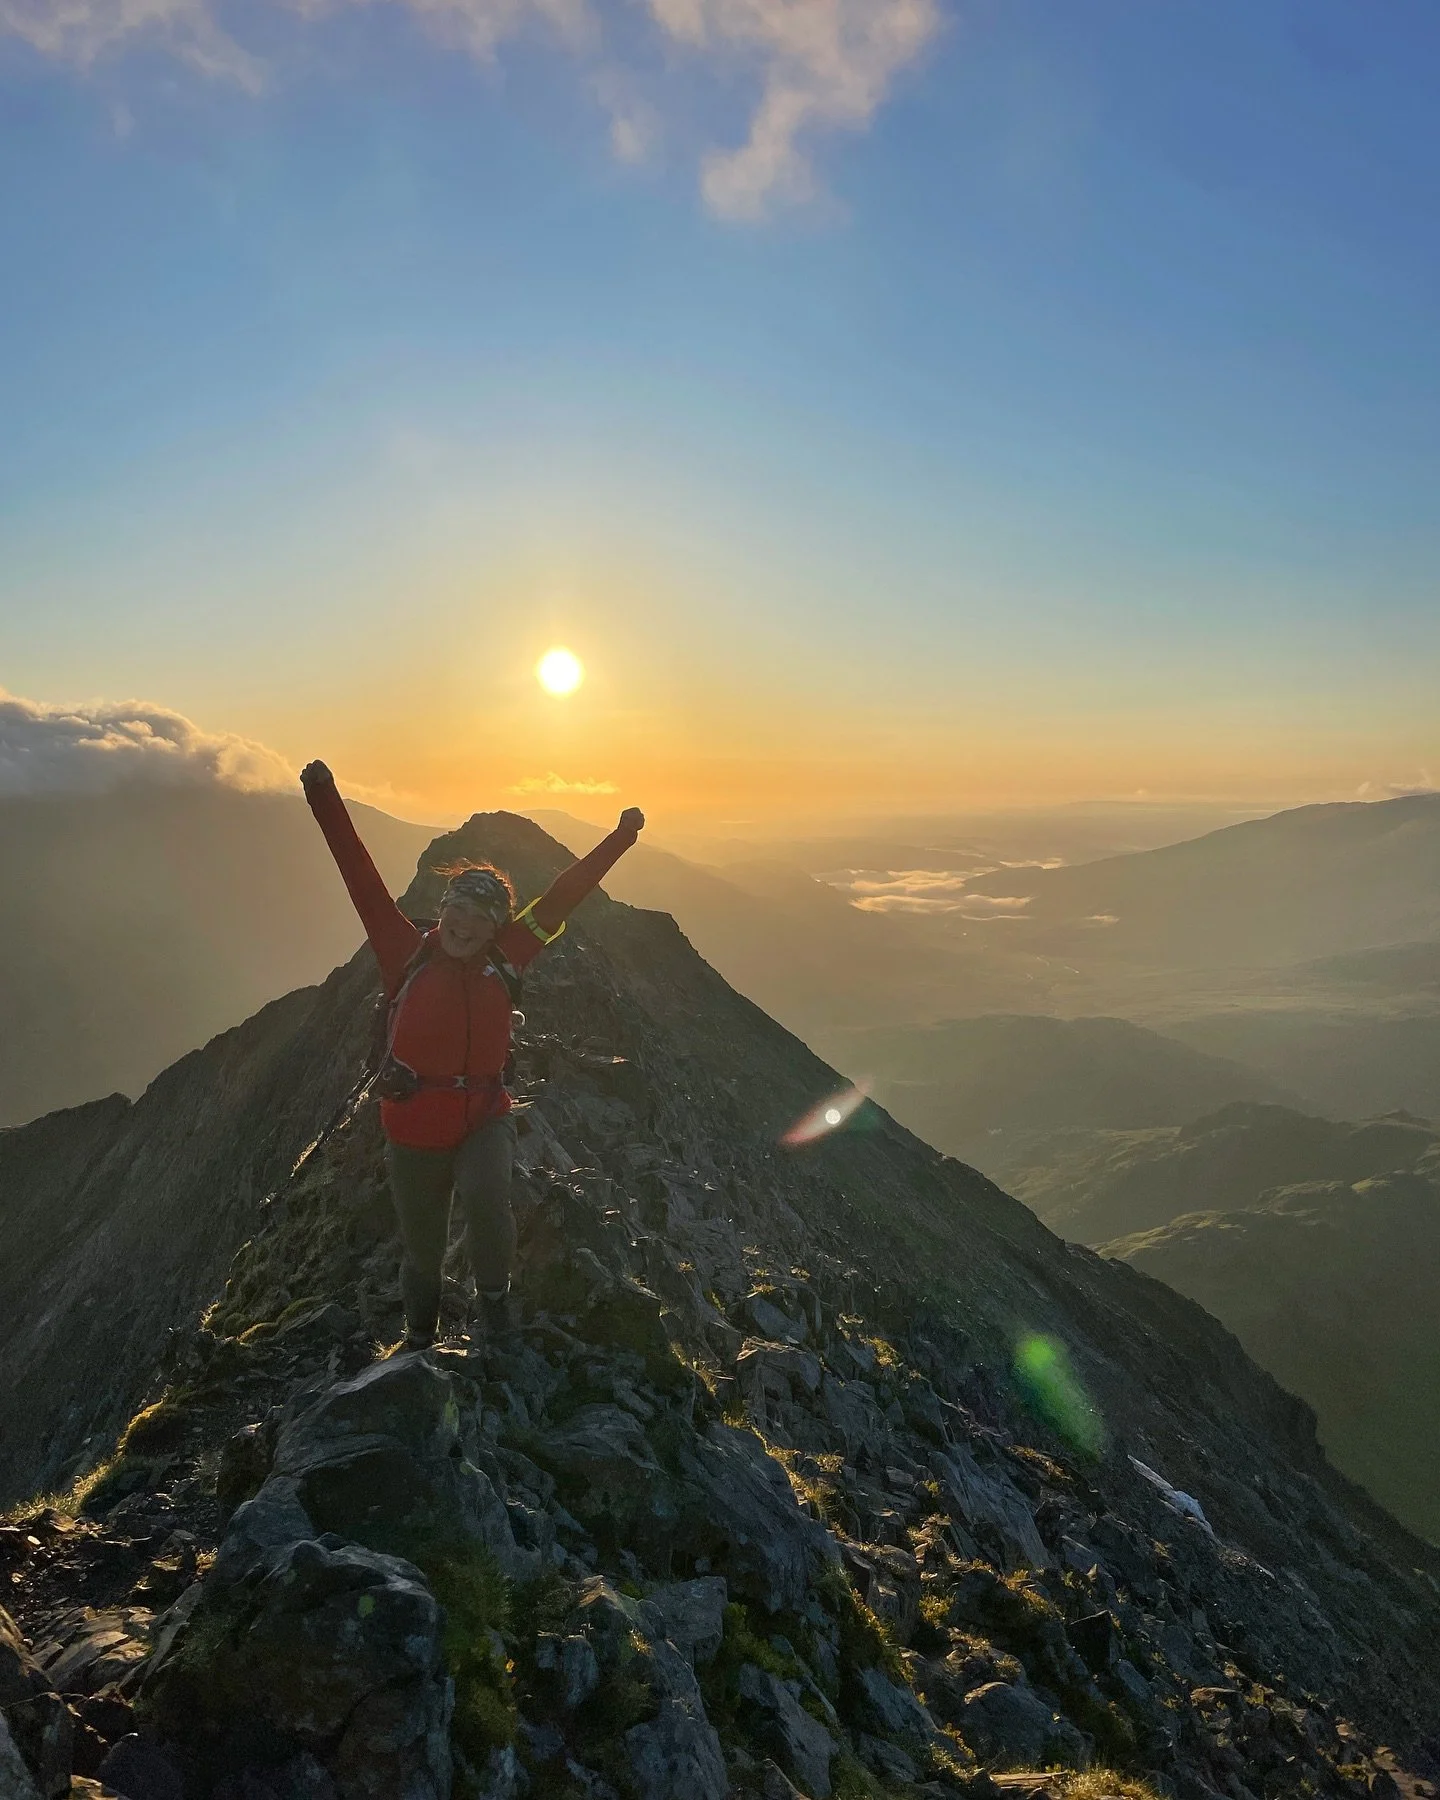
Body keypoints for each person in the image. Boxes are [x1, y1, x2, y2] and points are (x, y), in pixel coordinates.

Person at [300, 759, 644, 1351]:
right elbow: (360, 876)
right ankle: (419, 1337)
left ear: (495, 927)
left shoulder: (511, 954)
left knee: (489, 1201)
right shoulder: (401, 950)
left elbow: (564, 895)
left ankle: (496, 1307)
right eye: (457, 909)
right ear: (443, 909)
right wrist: (323, 794)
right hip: (412, 1124)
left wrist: (621, 837)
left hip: (486, 1113)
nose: (464, 923)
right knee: (423, 1245)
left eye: (481, 916)